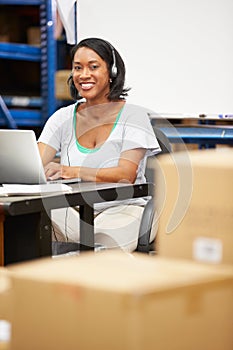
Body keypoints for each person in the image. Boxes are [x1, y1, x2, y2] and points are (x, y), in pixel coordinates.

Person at [38, 37, 161, 252]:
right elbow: (34, 165)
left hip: (124, 210)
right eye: (77, 68)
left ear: (112, 72)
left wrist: (69, 170)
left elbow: (125, 174)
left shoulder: (134, 116)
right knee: (23, 224)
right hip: (75, 210)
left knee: (99, 256)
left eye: (93, 67)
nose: (84, 75)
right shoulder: (62, 117)